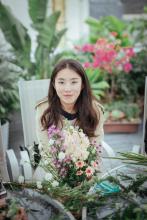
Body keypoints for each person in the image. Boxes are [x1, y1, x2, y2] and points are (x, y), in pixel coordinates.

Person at [34, 59, 104, 180]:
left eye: (74, 82)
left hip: (85, 168)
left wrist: (83, 176)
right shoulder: (43, 109)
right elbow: (46, 150)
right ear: (53, 84)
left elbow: (95, 149)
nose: (67, 89)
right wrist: (62, 180)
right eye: (61, 82)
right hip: (52, 168)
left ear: (82, 84)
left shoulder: (95, 110)